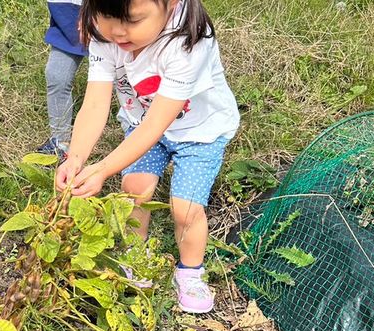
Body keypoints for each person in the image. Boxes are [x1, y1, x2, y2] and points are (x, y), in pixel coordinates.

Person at [55, 0, 239, 313]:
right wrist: (76, 157)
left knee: (186, 209)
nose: (117, 31)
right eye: (105, 17)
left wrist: (102, 169)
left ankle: (191, 271)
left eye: (133, 19)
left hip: (199, 133)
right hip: (142, 123)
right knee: (134, 191)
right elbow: (96, 102)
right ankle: (136, 259)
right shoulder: (106, 35)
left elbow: (157, 123)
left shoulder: (188, 40)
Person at [35, 0, 87, 161]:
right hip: (68, 25)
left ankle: (141, 137)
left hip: (110, 21)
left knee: (122, 81)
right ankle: (60, 143)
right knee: (57, 76)